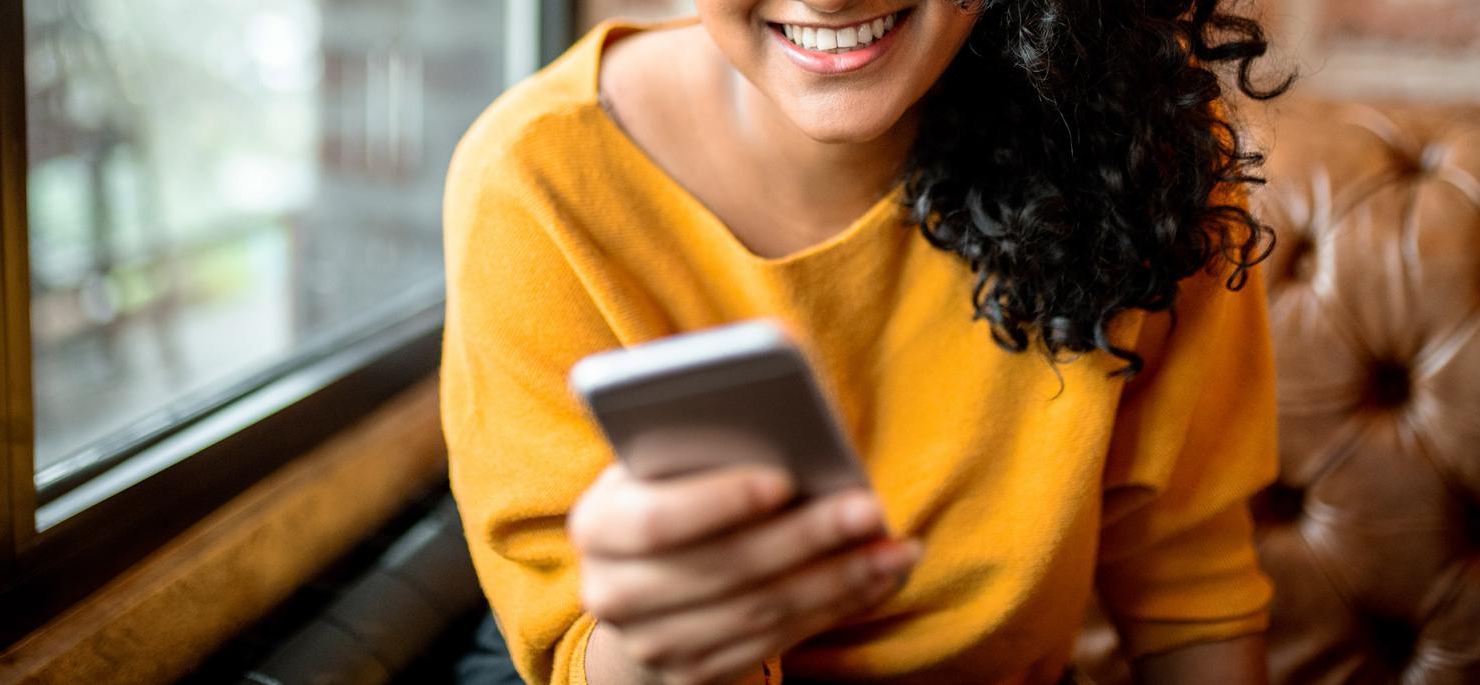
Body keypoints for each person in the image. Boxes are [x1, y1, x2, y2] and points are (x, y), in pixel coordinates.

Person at [441, 0, 1291, 682]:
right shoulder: (536, 182)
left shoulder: (1137, 141)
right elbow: (573, 651)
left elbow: (1193, 594)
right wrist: (662, 651)